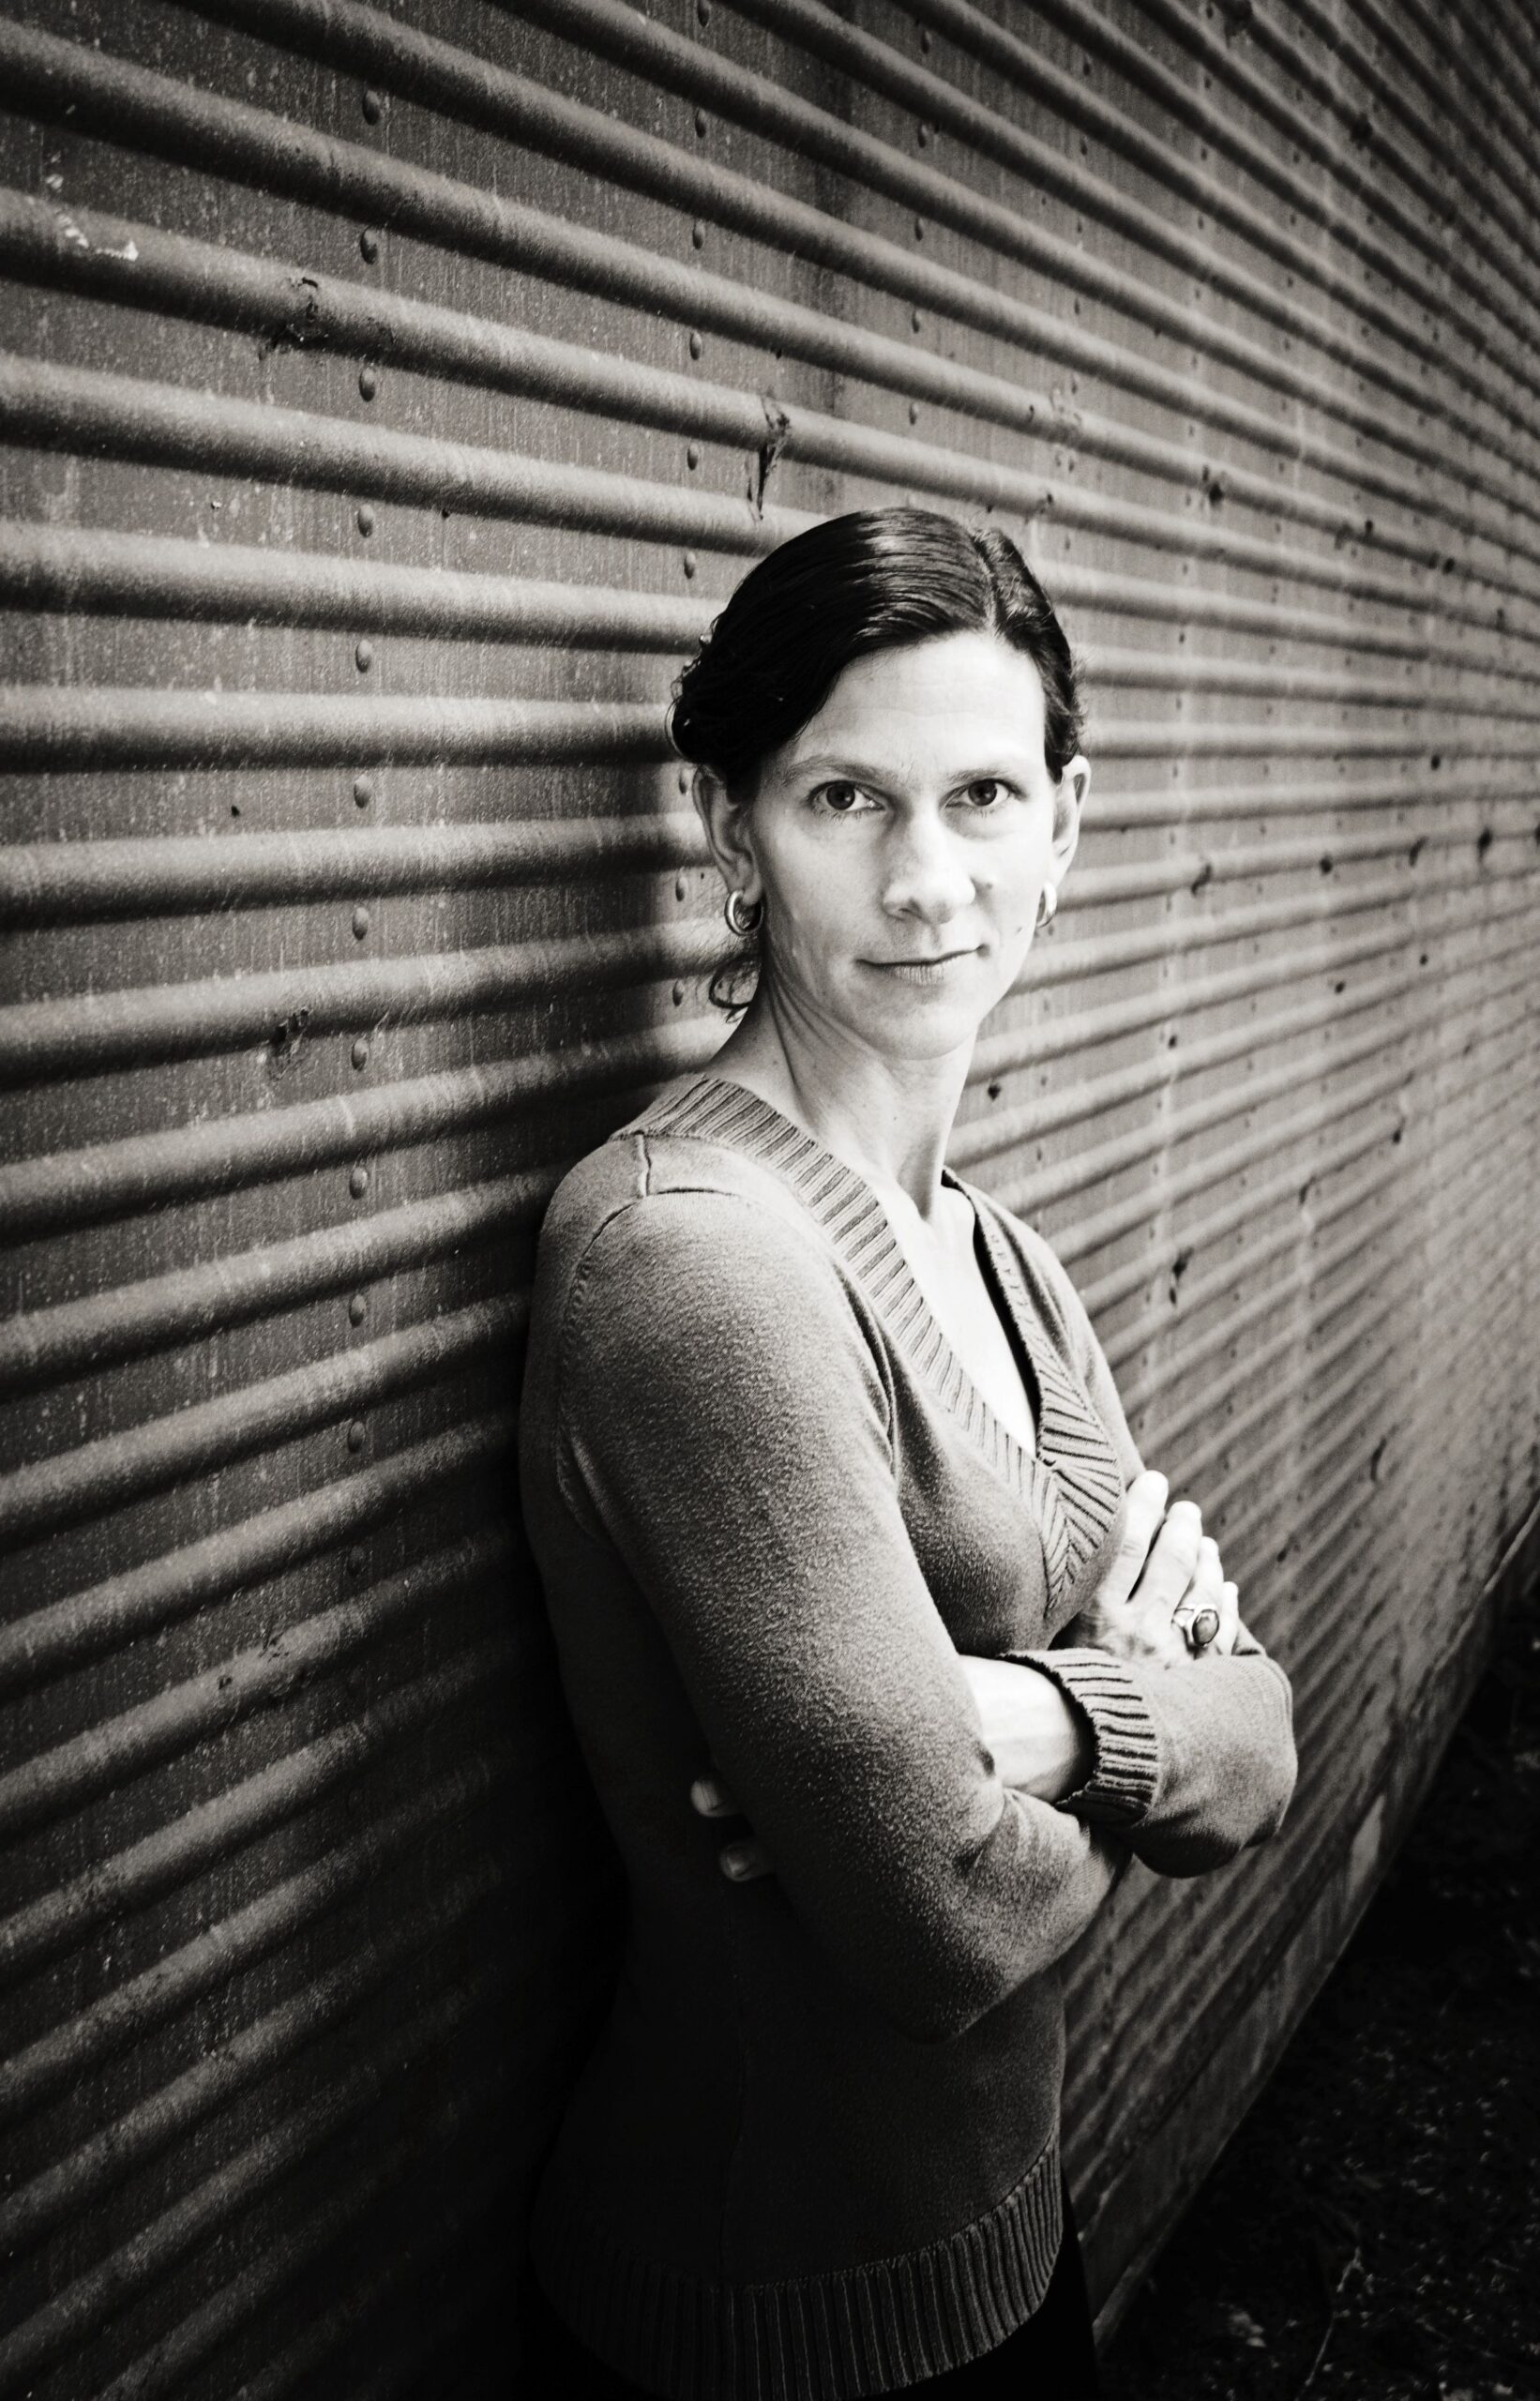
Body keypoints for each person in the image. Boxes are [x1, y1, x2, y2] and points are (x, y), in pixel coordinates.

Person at [514, 507, 1299, 2401]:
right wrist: (1136, 1696)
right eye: (844, 796)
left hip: (1006, 2238)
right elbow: (939, 1922)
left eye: (979, 795)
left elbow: (1266, 1741)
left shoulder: (1003, 1263)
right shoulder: (691, 1262)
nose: (926, 876)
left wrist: (1021, 1722)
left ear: (1064, 825)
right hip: (761, 2307)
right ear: (731, 829)